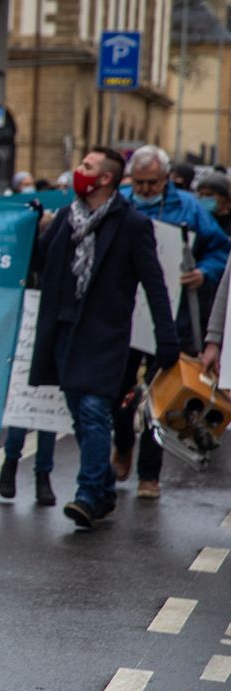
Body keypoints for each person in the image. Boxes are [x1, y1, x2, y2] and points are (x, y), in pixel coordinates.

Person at [30, 147, 179, 529]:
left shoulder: (130, 224)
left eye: (86, 166)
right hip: (63, 331)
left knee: (96, 411)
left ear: (106, 179)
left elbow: (154, 283)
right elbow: (40, 263)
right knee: (80, 413)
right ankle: (105, 492)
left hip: (103, 334)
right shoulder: (66, 217)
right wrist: (32, 227)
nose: (79, 171)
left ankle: (86, 492)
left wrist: (167, 338)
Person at [112, 145, 228, 498]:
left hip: (170, 318)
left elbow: (221, 249)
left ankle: (150, 474)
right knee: (117, 391)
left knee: (161, 396)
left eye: (153, 182)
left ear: (166, 179)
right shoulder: (121, 203)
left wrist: (202, 273)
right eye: (140, 183)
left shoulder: (189, 208)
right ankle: (123, 442)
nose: (145, 189)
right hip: (125, 315)